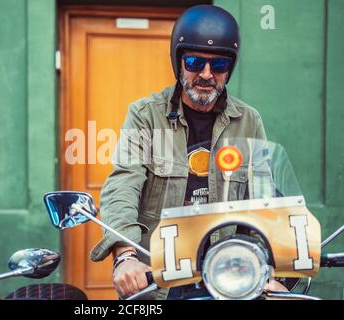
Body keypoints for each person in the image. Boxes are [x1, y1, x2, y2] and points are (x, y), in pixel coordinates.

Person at [90, 5, 285, 299]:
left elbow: (264, 197)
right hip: (158, 277)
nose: (206, 74)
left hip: (228, 276)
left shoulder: (249, 120)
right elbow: (123, 182)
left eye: (218, 65)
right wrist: (125, 255)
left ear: (228, 70)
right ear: (179, 62)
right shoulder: (145, 115)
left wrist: (274, 268)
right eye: (195, 62)